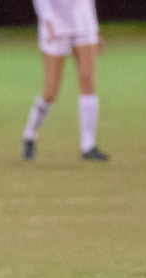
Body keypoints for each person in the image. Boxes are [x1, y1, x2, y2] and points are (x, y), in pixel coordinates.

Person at [21, 0, 108, 161]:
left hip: (83, 22)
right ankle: (30, 134)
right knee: (51, 92)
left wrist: (94, 29)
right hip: (56, 23)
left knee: (87, 81)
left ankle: (88, 146)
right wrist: (47, 19)